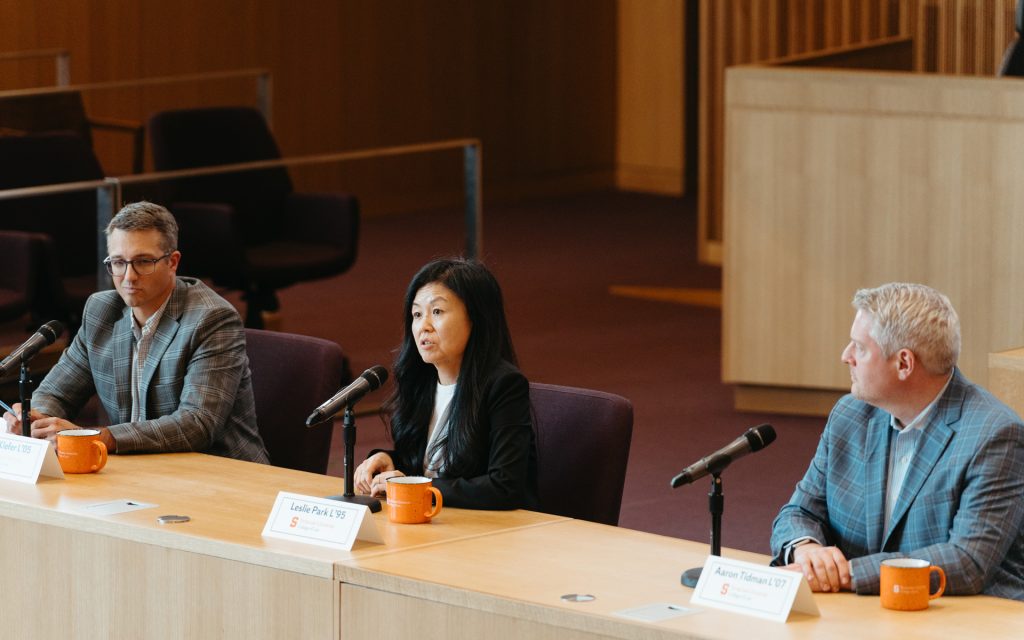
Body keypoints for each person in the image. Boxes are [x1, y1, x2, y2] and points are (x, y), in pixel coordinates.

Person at [770, 282, 1024, 600]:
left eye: (859, 348)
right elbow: (800, 512)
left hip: (960, 617)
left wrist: (847, 573)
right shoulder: (851, 415)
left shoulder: (995, 435)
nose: (846, 356)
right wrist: (805, 549)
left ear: (904, 363)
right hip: (865, 615)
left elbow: (967, 561)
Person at [3, 201, 269, 463]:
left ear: (173, 262)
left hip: (218, 472)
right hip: (138, 469)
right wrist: (35, 422)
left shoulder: (211, 318)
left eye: (143, 261)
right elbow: (56, 393)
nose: (129, 276)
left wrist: (97, 437)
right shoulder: (101, 311)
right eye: (118, 263)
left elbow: (197, 424)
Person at [353, 257, 538, 509]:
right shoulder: (421, 380)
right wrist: (389, 461)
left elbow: (504, 486)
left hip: (485, 532)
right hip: (432, 521)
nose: (423, 327)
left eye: (437, 312)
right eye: (417, 314)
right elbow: (429, 468)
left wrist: (413, 487)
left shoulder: (503, 385)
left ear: (475, 319)